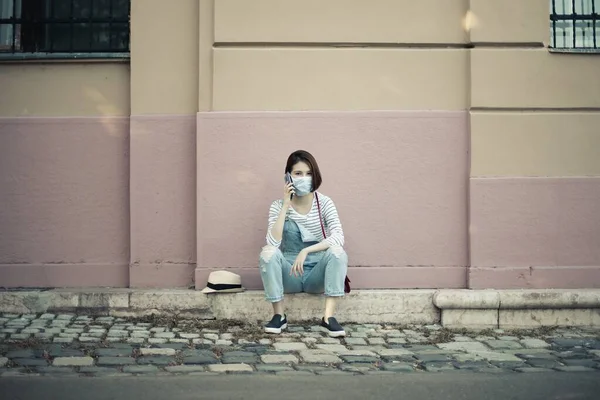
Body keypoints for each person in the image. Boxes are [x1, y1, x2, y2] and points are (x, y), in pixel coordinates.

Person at [259, 150, 348, 337]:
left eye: (308, 173)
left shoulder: (324, 203)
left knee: (338, 252)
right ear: (288, 177)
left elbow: (338, 236)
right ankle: (279, 316)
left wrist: (306, 250)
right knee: (268, 252)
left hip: (316, 274)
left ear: (315, 175)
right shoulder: (277, 205)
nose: (304, 178)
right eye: (298, 174)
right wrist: (285, 205)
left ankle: (328, 318)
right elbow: (273, 241)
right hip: (290, 273)